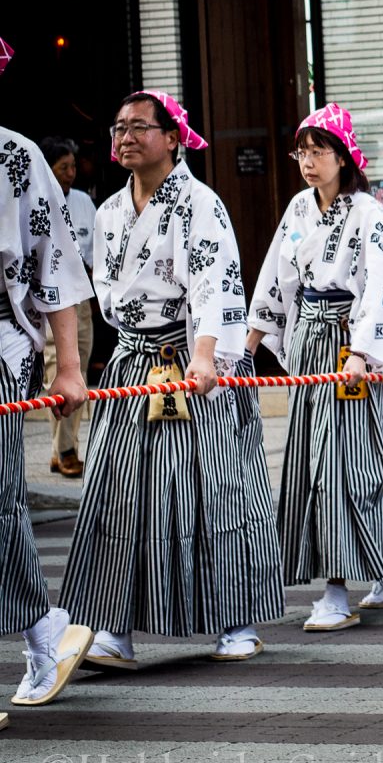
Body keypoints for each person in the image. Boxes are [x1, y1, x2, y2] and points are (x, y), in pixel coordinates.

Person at [68, 91, 285, 669]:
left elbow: (215, 285)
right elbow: (106, 292)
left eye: (140, 126)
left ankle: (235, 620)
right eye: (118, 128)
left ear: (173, 137)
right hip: (135, 363)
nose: (126, 137)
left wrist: (208, 356)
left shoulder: (200, 203)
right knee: (119, 493)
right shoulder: (110, 210)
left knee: (213, 488)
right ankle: (116, 627)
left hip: (193, 364)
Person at [246, 105, 383, 633]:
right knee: (309, 461)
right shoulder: (298, 209)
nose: (309, 162)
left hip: (348, 346)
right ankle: (375, 568)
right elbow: (276, 277)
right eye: (303, 152)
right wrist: (251, 342)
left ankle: (339, 587)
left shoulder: (372, 214)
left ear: (343, 157)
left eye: (319, 151)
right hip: (308, 343)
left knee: (344, 463)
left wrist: (363, 351)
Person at [1, 43, 95, 715]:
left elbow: (54, 266)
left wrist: (69, 364)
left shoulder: (15, 156)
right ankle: (43, 630)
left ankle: (42, 634)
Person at [35, 136, 93, 478]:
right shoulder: (38, 199)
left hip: (81, 296)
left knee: (78, 370)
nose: (70, 173)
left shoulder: (85, 202)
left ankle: (62, 448)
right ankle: (66, 449)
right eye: (62, 168)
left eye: (72, 167)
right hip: (50, 298)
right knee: (59, 370)